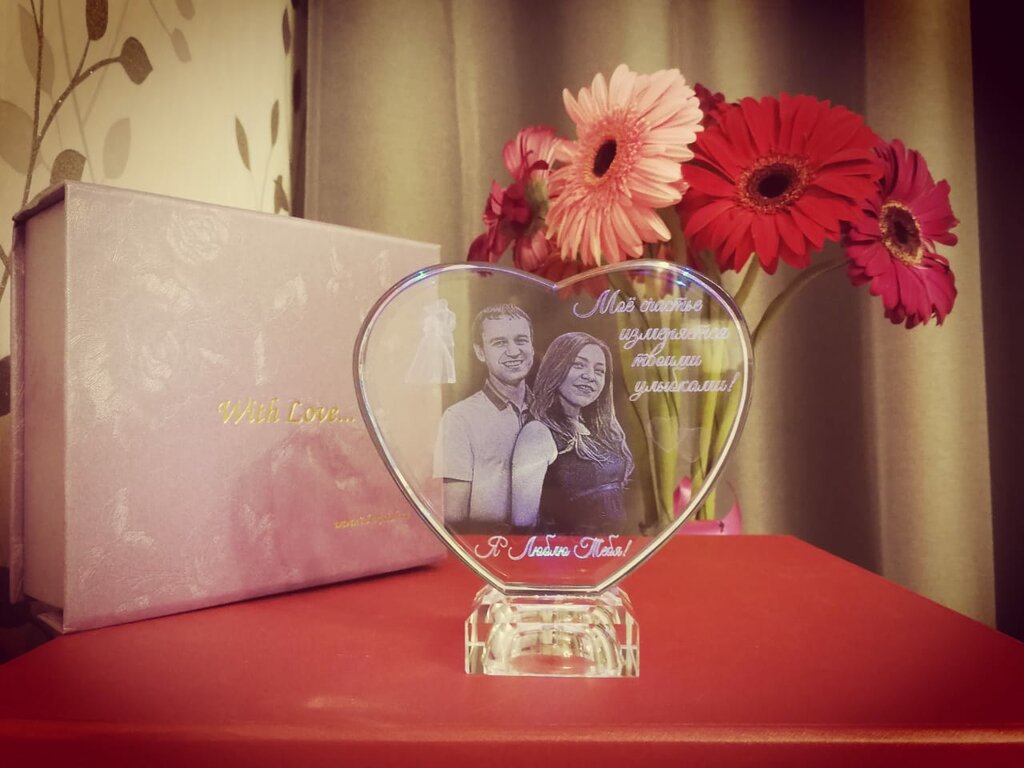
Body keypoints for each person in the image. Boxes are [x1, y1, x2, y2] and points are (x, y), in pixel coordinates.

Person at [511, 332, 633, 535]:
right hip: (569, 552)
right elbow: (523, 524)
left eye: (599, 371)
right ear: (556, 369)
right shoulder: (537, 433)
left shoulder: (601, 432)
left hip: (609, 549)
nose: (590, 376)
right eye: (578, 365)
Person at [433, 304, 535, 531]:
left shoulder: (549, 412)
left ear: (532, 346)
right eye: (499, 343)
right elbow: (454, 517)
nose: (514, 351)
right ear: (480, 352)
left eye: (521, 340)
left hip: (548, 545)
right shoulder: (459, 419)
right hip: (492, 543)